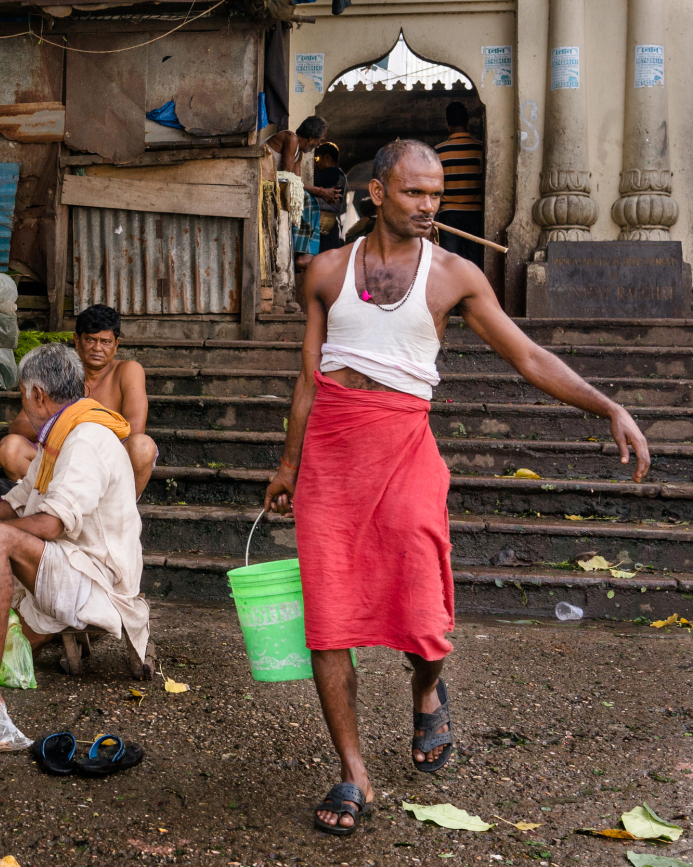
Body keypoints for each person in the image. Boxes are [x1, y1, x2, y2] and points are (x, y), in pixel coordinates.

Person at [263, 139, 650, 836]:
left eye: (436, 194)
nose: (428, 206)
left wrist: (609, 406)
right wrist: (288, 466)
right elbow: (306, 380)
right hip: (331, 456)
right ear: (377, 192)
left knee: (427, 616)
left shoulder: (455, 275)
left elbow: (528, 354)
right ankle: (354, 773)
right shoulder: (322, 272)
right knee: (328, 619)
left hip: (406, 447)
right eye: (414, 192)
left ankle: (428, 687)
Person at [0, 343, 152, 728]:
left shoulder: (84, 438)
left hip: (96, 580)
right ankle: (18, 625)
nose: (24, 402)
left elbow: (51, 524)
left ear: (37, 394)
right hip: (66, 562)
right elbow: (18, 501)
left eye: (22, 394)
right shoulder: (61, 432)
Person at [0, 304, 158, 497]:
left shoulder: (128, 370)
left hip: (107, 458)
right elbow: (19, 426)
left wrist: (78, 429)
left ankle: (121, 511)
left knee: (142, 446)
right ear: (77, 340)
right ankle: (51, 505)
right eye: (90, 339)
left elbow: (135, 429)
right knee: (10, 448)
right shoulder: (62, 372)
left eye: (105, 342)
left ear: (116, 344)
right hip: (60, 455)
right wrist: (68, 430)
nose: (97, 348)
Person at [267, 116, 335, 270]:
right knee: (309, 202)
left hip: (280, 183)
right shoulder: (291, 139)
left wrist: (320, 193)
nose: (319, 144)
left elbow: (298, 183)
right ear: (311, 138)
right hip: (266, 182)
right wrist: (321, 191)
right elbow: (289, 177)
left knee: (311, 201)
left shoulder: (300, 152)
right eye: (319, 140)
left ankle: (304, 252)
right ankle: (303, 254)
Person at [434, 102, 485, 269]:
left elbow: (435, 186)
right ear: (468, 124)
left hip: (449, 215)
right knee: (474, 261)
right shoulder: (481, 149)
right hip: (475, 214)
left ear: (448, 126)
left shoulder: (439, 151)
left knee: (448, 261)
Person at [313, 143, 348, 252]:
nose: (316, 162)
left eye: (317, 158)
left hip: (326, 224)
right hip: (321, 224)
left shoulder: (335, 173)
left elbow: (310, 179)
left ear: (327, 157)